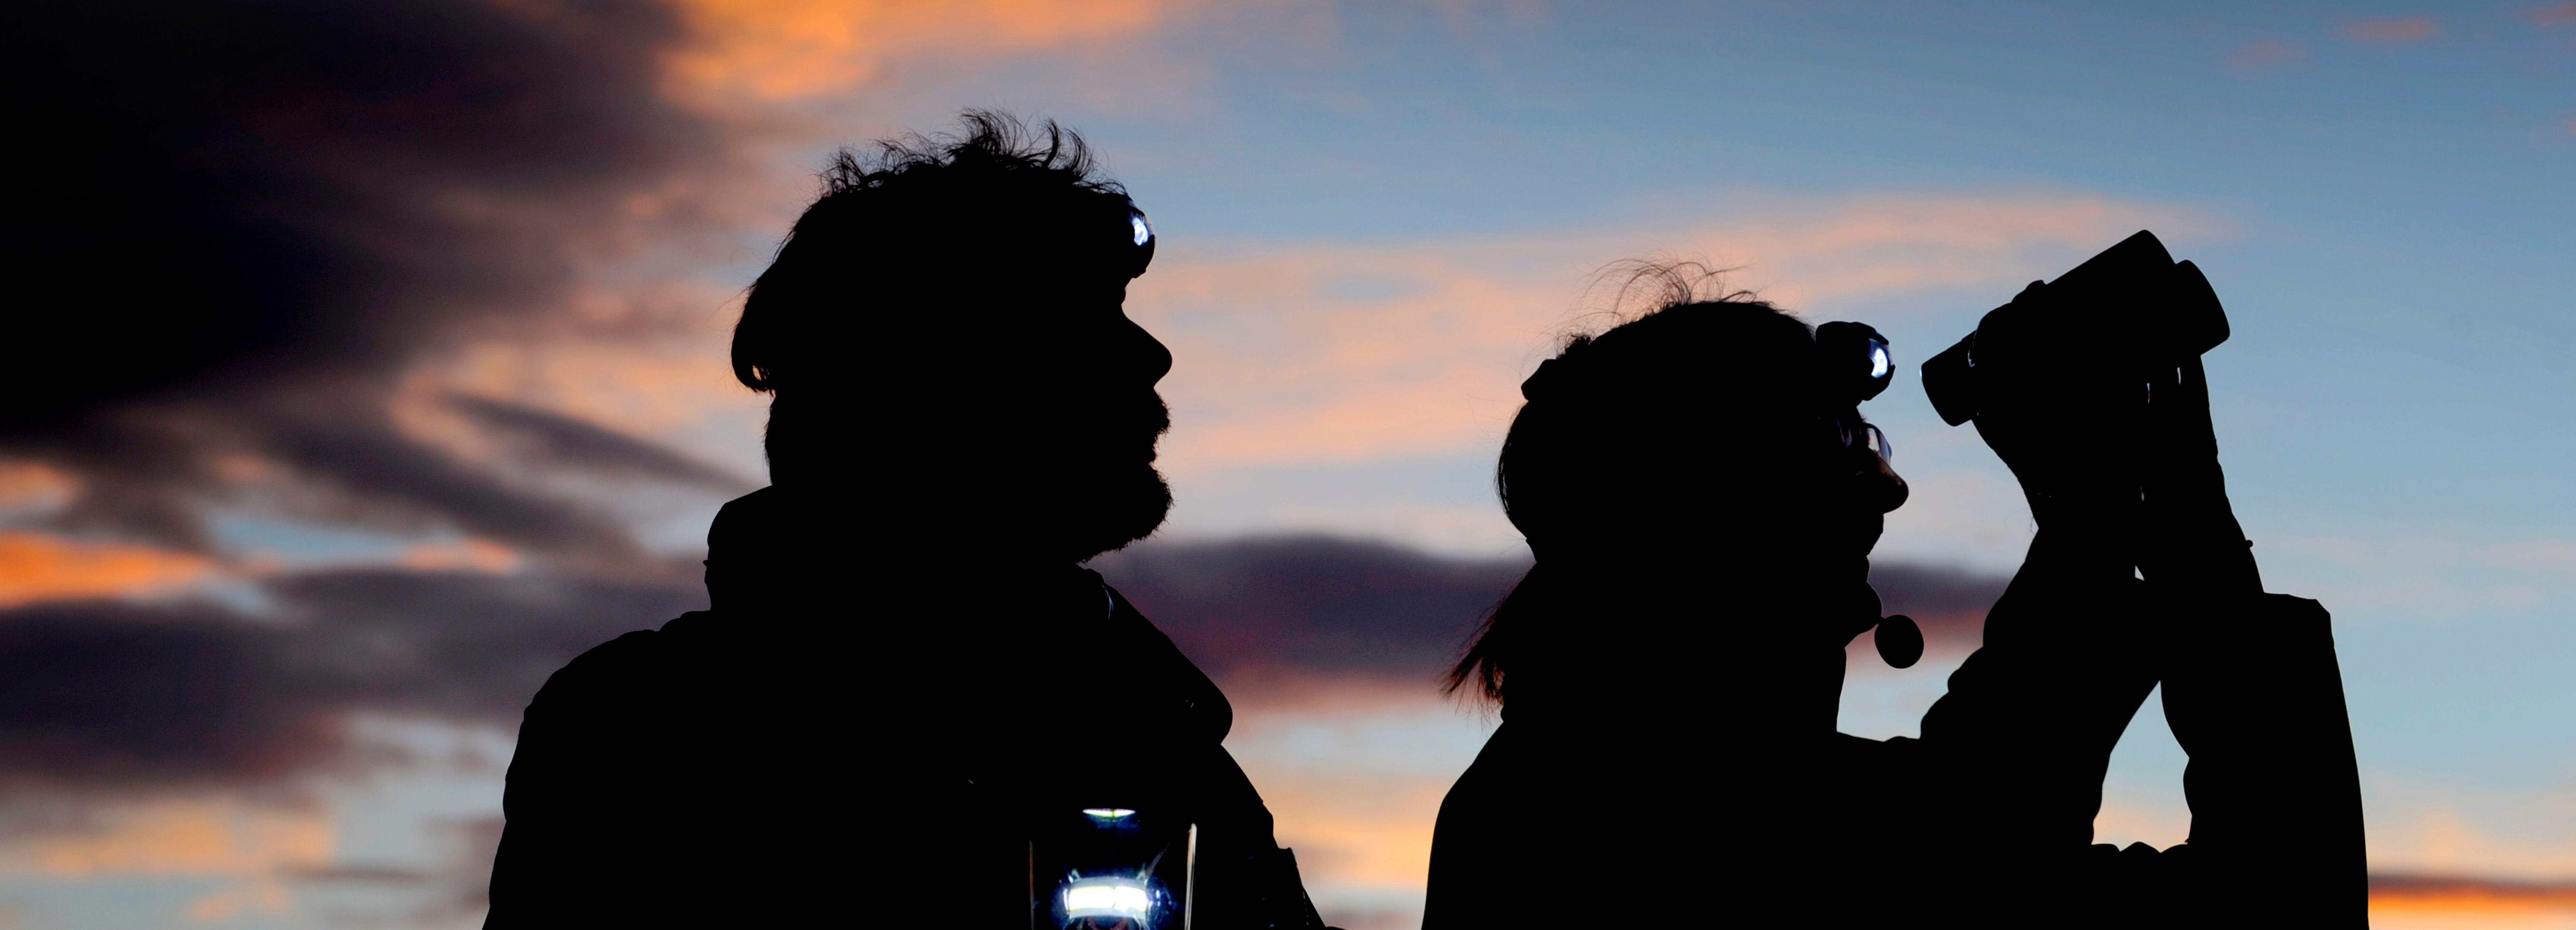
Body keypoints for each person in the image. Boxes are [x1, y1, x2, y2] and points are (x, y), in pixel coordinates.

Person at [484, 112, 1331, 929]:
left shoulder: (1158, 735)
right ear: (927, 388)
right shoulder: (644, 741)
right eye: (1076, 325)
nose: (1151, 356)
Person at [1421, 268, 2365, 927]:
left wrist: (2093, 527)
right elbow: (2275, 902)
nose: (1886, 490)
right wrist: (2187, 526)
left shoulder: (1587, 783)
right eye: (1838, 449)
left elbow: (1976, 810)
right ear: (1714, 505)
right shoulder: (1661, 826)